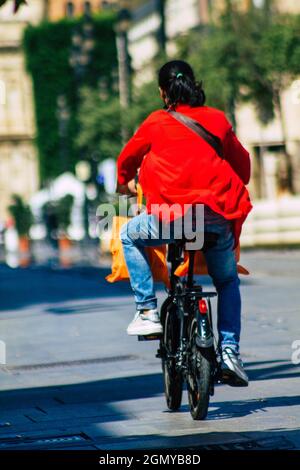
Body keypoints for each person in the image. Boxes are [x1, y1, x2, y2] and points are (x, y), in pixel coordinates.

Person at [116, 60, 252, 386]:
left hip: (172, 220)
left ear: (164, 92)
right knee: (227, 282)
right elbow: (243, 167)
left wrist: (124, 184)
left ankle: (147, 310)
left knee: (127, 235)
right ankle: (230, 351)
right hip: (215, 218)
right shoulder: (217, 120)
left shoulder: (155, 122)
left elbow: (126, 160)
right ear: (194, 84)